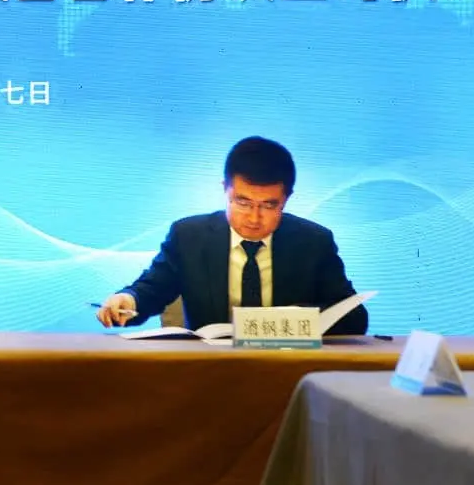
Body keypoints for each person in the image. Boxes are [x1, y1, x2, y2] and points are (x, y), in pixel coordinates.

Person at [97, 136, 368, 335]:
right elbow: (152, 289)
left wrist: (294, 319)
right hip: (210, 370)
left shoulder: (313, 242)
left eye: (269, 205)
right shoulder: (189, 237)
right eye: (242, 202)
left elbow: (354, 317)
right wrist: (128, 300)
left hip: (288, 368)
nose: (254, 218)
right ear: (224, 189)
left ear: (287, 199)